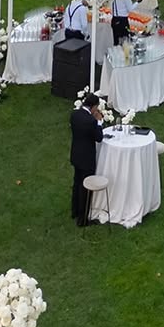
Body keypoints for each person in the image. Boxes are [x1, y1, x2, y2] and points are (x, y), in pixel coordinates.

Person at [70, 91, 104, 226]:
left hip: (76, 155)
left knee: (77, 183)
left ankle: (74, 210)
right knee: (85, 188)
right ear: (94, 107)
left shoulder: (74, 115)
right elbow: (99, 138)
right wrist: (99, 122)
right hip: (86, 158)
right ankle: (82, 219)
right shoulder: (91, 121)